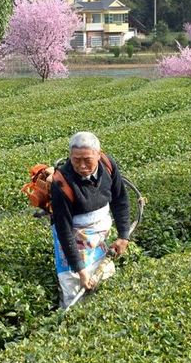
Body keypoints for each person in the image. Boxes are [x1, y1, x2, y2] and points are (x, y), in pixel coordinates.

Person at [50, 131, 131, 309]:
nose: (81, 165)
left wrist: (123, 236)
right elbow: (64, 230)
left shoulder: (108, 165)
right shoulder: (61, 183)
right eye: (76, 159)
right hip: (73, 239)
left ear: (98, 154)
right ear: (70, 156)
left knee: (104, 279)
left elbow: (120, 201)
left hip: (99, 237)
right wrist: (80, 270)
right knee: (75, 288)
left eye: (87, 159)